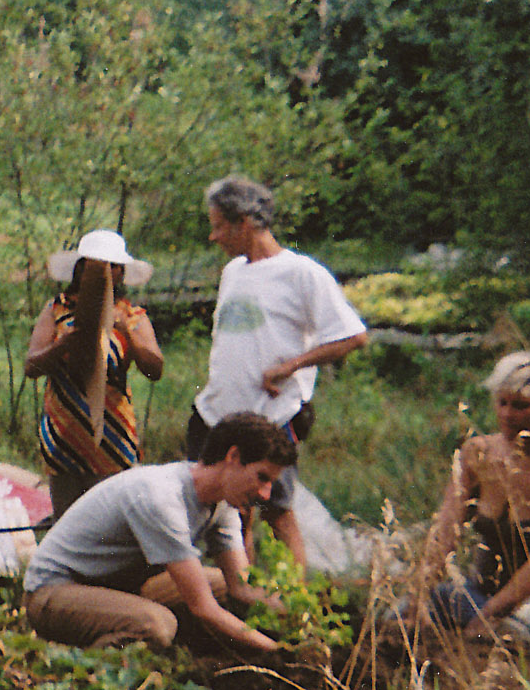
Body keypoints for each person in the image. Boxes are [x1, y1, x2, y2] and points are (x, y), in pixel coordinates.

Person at [187, 176, 368, 568]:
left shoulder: (301, 273)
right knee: (229, 516)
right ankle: (242, 592)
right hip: (219, 413)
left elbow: (353, 336)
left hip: (271, 415)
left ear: (245, 222)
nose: (213, 237)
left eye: (219, 226)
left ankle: (297, 598)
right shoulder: (233, 272)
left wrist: (290, 367)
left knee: (277, 510)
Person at [23, 412, 290, 653]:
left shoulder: (223, 504)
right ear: (233, 457)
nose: (265, 494)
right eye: (262, 477)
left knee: (219, 584)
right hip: (54, 591)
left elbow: (242, 588)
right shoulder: (162, 497)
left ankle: (180, 649)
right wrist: (277, 651)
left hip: (115, 589)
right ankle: (86, 668)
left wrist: (294, 614)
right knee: (157, 625)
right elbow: (203, 607)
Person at [409, 352, 530, 641]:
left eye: (520, 405)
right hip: (480, 593)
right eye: (502, 403)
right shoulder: (477, 453)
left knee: (510, 634)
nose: (507, 414)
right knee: (402, 615)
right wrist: (418, 597)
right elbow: (445, 531)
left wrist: (490, 616)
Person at [25, 230, 164, 518]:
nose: (106, 272)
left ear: (121, 272)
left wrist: (127, 333)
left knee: (112, 522)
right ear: (80, 268)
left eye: (112, 266)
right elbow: (31, 367)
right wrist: (62, 345)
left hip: (113, 438)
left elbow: (155, 369)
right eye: (96, 265)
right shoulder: (57, 309)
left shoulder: (131, 315)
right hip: (64, 437)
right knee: (68, 523)